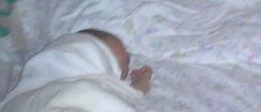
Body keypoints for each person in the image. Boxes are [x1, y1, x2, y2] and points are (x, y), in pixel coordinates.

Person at [0, 29, 152, 112]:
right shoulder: (85, 88)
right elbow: (123, 95)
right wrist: (142, 82)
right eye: (124, 62)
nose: (129, 57)